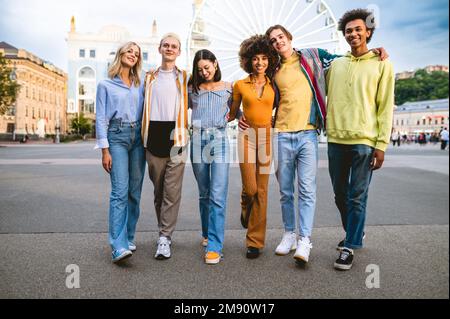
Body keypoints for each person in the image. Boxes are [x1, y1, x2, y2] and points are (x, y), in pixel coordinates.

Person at [254, 24, 389, 266]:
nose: (278, 42)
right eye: (273, 40)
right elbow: (261, 95)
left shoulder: (313, 56)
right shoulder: (273, 68)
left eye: (281, 37)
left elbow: (347, 60)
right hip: (282, 134)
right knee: (286, 190)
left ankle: (305, 239)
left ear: (289, 36)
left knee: (307, 190)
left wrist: (372, 52)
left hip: (307, 133)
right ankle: (289, 234)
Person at [326, 9, 395, 270]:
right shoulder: (335, 65)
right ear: (343, 35)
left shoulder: (382, 64)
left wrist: (381, 145)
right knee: (339, 194)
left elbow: (385, 106)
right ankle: (356, 231)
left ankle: (349, 245)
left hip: (364, 141)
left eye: (358, 29)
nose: (353, 34)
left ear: (368, 32)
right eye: (348, 31)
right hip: (336, 138)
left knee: (357, 195)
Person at [95, 42, 146, 263]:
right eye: (129, 51)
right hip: (117, 136)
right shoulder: (105, 84)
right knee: (119, 191)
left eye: (136, 53)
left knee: (134, 191)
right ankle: (117, 245)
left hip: (138, 138)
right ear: (120, 55)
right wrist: (104, 150)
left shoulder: (141, 83)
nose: (133, 55)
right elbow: (100, 118)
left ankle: (129, 237)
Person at [229, 35, 278, 259]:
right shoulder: (240, 85)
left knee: (263, 191)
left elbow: (281, 109)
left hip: (267, 138)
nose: (260, 63)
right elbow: (232, 112)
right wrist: (238, 116)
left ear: (270, 60)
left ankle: (255, 242)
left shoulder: (274, 85)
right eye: (256, 58)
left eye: (264, 58)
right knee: (251, 189)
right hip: (246, 137)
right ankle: (244, 205)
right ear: (248, 60)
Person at [141, 33, 189, 260]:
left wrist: (237, 112)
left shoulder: (186, 78)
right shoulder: (149, 77)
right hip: (153, 137)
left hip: (177, 137)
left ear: (179, 52)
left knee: (172, 191)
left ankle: (164, 237)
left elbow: (209, 94)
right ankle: (164, 231)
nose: (170, 49)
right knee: (159, 190)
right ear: (160, 49)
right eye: (166, 45)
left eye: (174, 46)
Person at [188, 49, 232, 265]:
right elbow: (175, 109)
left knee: (217, 194)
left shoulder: (229, 88)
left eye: (207, 67)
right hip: (197, 141)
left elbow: (237, 112)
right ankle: (207, 233)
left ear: (215, 63)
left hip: (220, 141)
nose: (204, 72)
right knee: (204, 193)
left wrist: (242, 119)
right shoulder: (192, 90)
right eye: (200, 69)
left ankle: (215, 246)